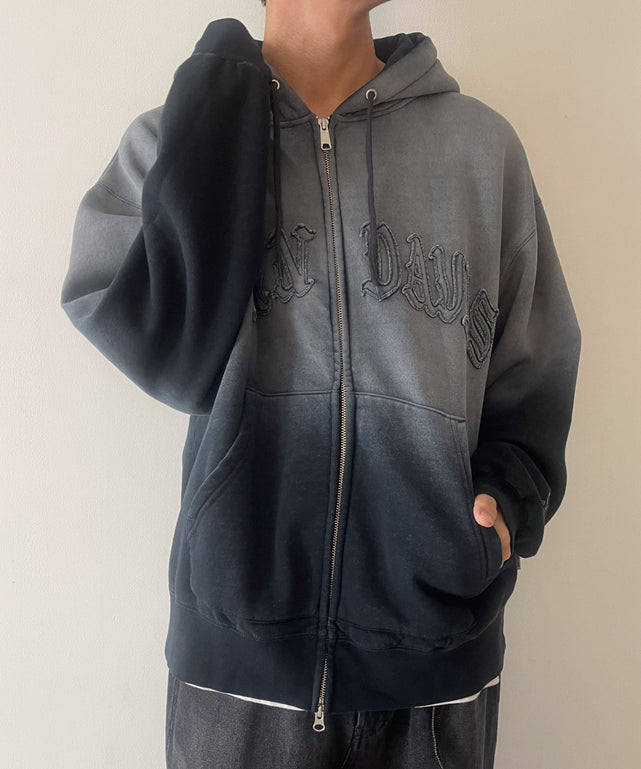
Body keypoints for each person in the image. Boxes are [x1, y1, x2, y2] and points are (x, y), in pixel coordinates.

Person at [60, 0, 581, 766]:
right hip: (240, 670)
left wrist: (508, 496)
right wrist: (212, 109)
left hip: (433, 665)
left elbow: (533, 358)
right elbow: (129, 318)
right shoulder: (186, 136)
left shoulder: (479, 147)